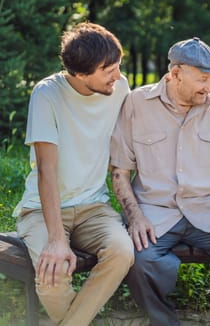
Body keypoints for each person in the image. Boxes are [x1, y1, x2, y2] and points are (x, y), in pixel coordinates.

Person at [110, 37, 210, 326]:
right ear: (175, 73)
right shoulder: (136, 104)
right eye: (203, 79)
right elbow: (120, 173)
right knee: (139, 260)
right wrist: (135, 217)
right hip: (155, 213)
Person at [14, 22, 134, 325]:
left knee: (122, 252)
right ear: (80, 74)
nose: (118, 77)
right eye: (109, 70)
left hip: (94, 207)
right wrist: (56, 239)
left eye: (119, 66)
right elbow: (46, 170)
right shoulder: (47, 94)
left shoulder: (119, 88)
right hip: (42, 210)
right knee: (51, 279)